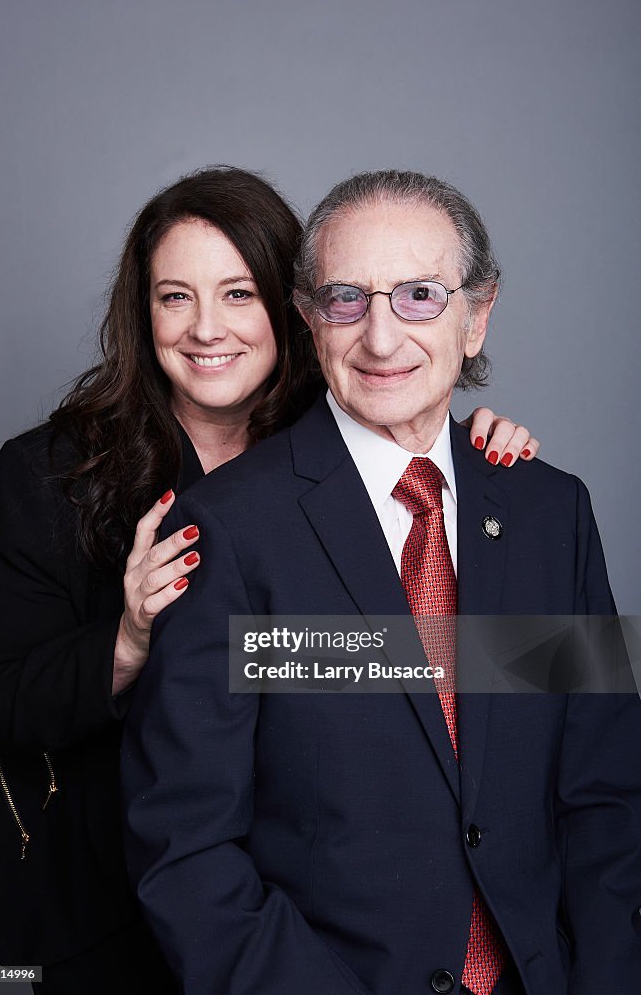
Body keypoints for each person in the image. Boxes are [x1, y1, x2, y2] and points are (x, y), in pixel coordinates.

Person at [0, 166, 534, 994]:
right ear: (143, 312)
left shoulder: (348, 453)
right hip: (105, 885)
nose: (205, 327)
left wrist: (461, 463)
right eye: (173, 297)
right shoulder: (49, 472)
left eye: (237, 294)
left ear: (292, 309)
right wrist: (126, 641)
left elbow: (438, 673)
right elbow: (3, 702)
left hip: (299, 888)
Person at [121, 170, 641, 995]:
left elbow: (605, 797)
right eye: (346, 299)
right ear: (308, 320)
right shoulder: (230, 531)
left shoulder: (551, 514)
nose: (382, 337)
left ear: (478, 316)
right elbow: (187, 846)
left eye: (421, 296)